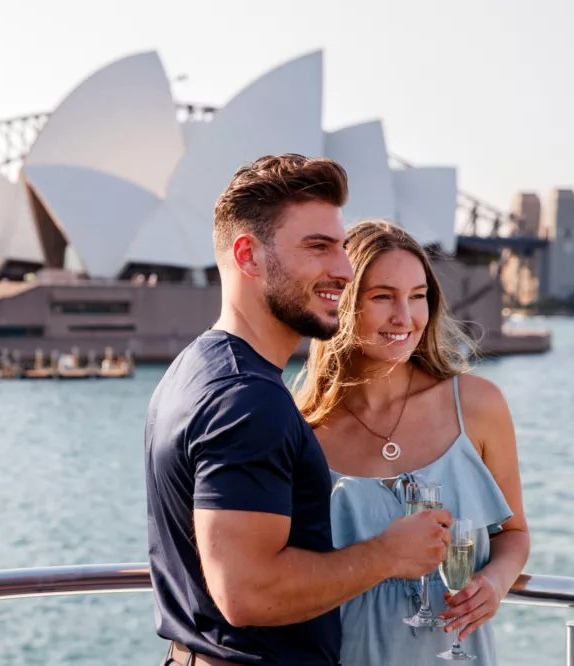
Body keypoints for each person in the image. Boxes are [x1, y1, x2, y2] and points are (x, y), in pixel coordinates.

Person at [144, 155, 453, 666]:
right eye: (319, 247)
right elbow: (248, 593)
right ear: (249, 256)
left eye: (340, 246)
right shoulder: (247, 399)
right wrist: (389, 555)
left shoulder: (196, 367)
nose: (344, 269)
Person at [293, 219, 531, 665]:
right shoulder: (304, 431)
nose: (405, 317)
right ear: (343, 302)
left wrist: (494, 583)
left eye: (418, 296)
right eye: (383, 296)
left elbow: (513, 533)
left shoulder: (478, 406)